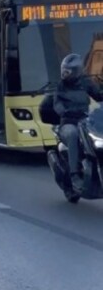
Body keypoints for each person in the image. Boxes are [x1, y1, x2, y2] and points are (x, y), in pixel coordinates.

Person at [53, 53, 103, 193]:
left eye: (68, 71)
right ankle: (74, 174)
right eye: (64, 70)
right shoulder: (61, 86)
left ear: (77, 71)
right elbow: (57, 104)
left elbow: (98, 95)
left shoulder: (85, 83)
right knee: (73, 134)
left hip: (85, 120)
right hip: (69, 122)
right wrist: (64, 111)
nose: (65, 73)